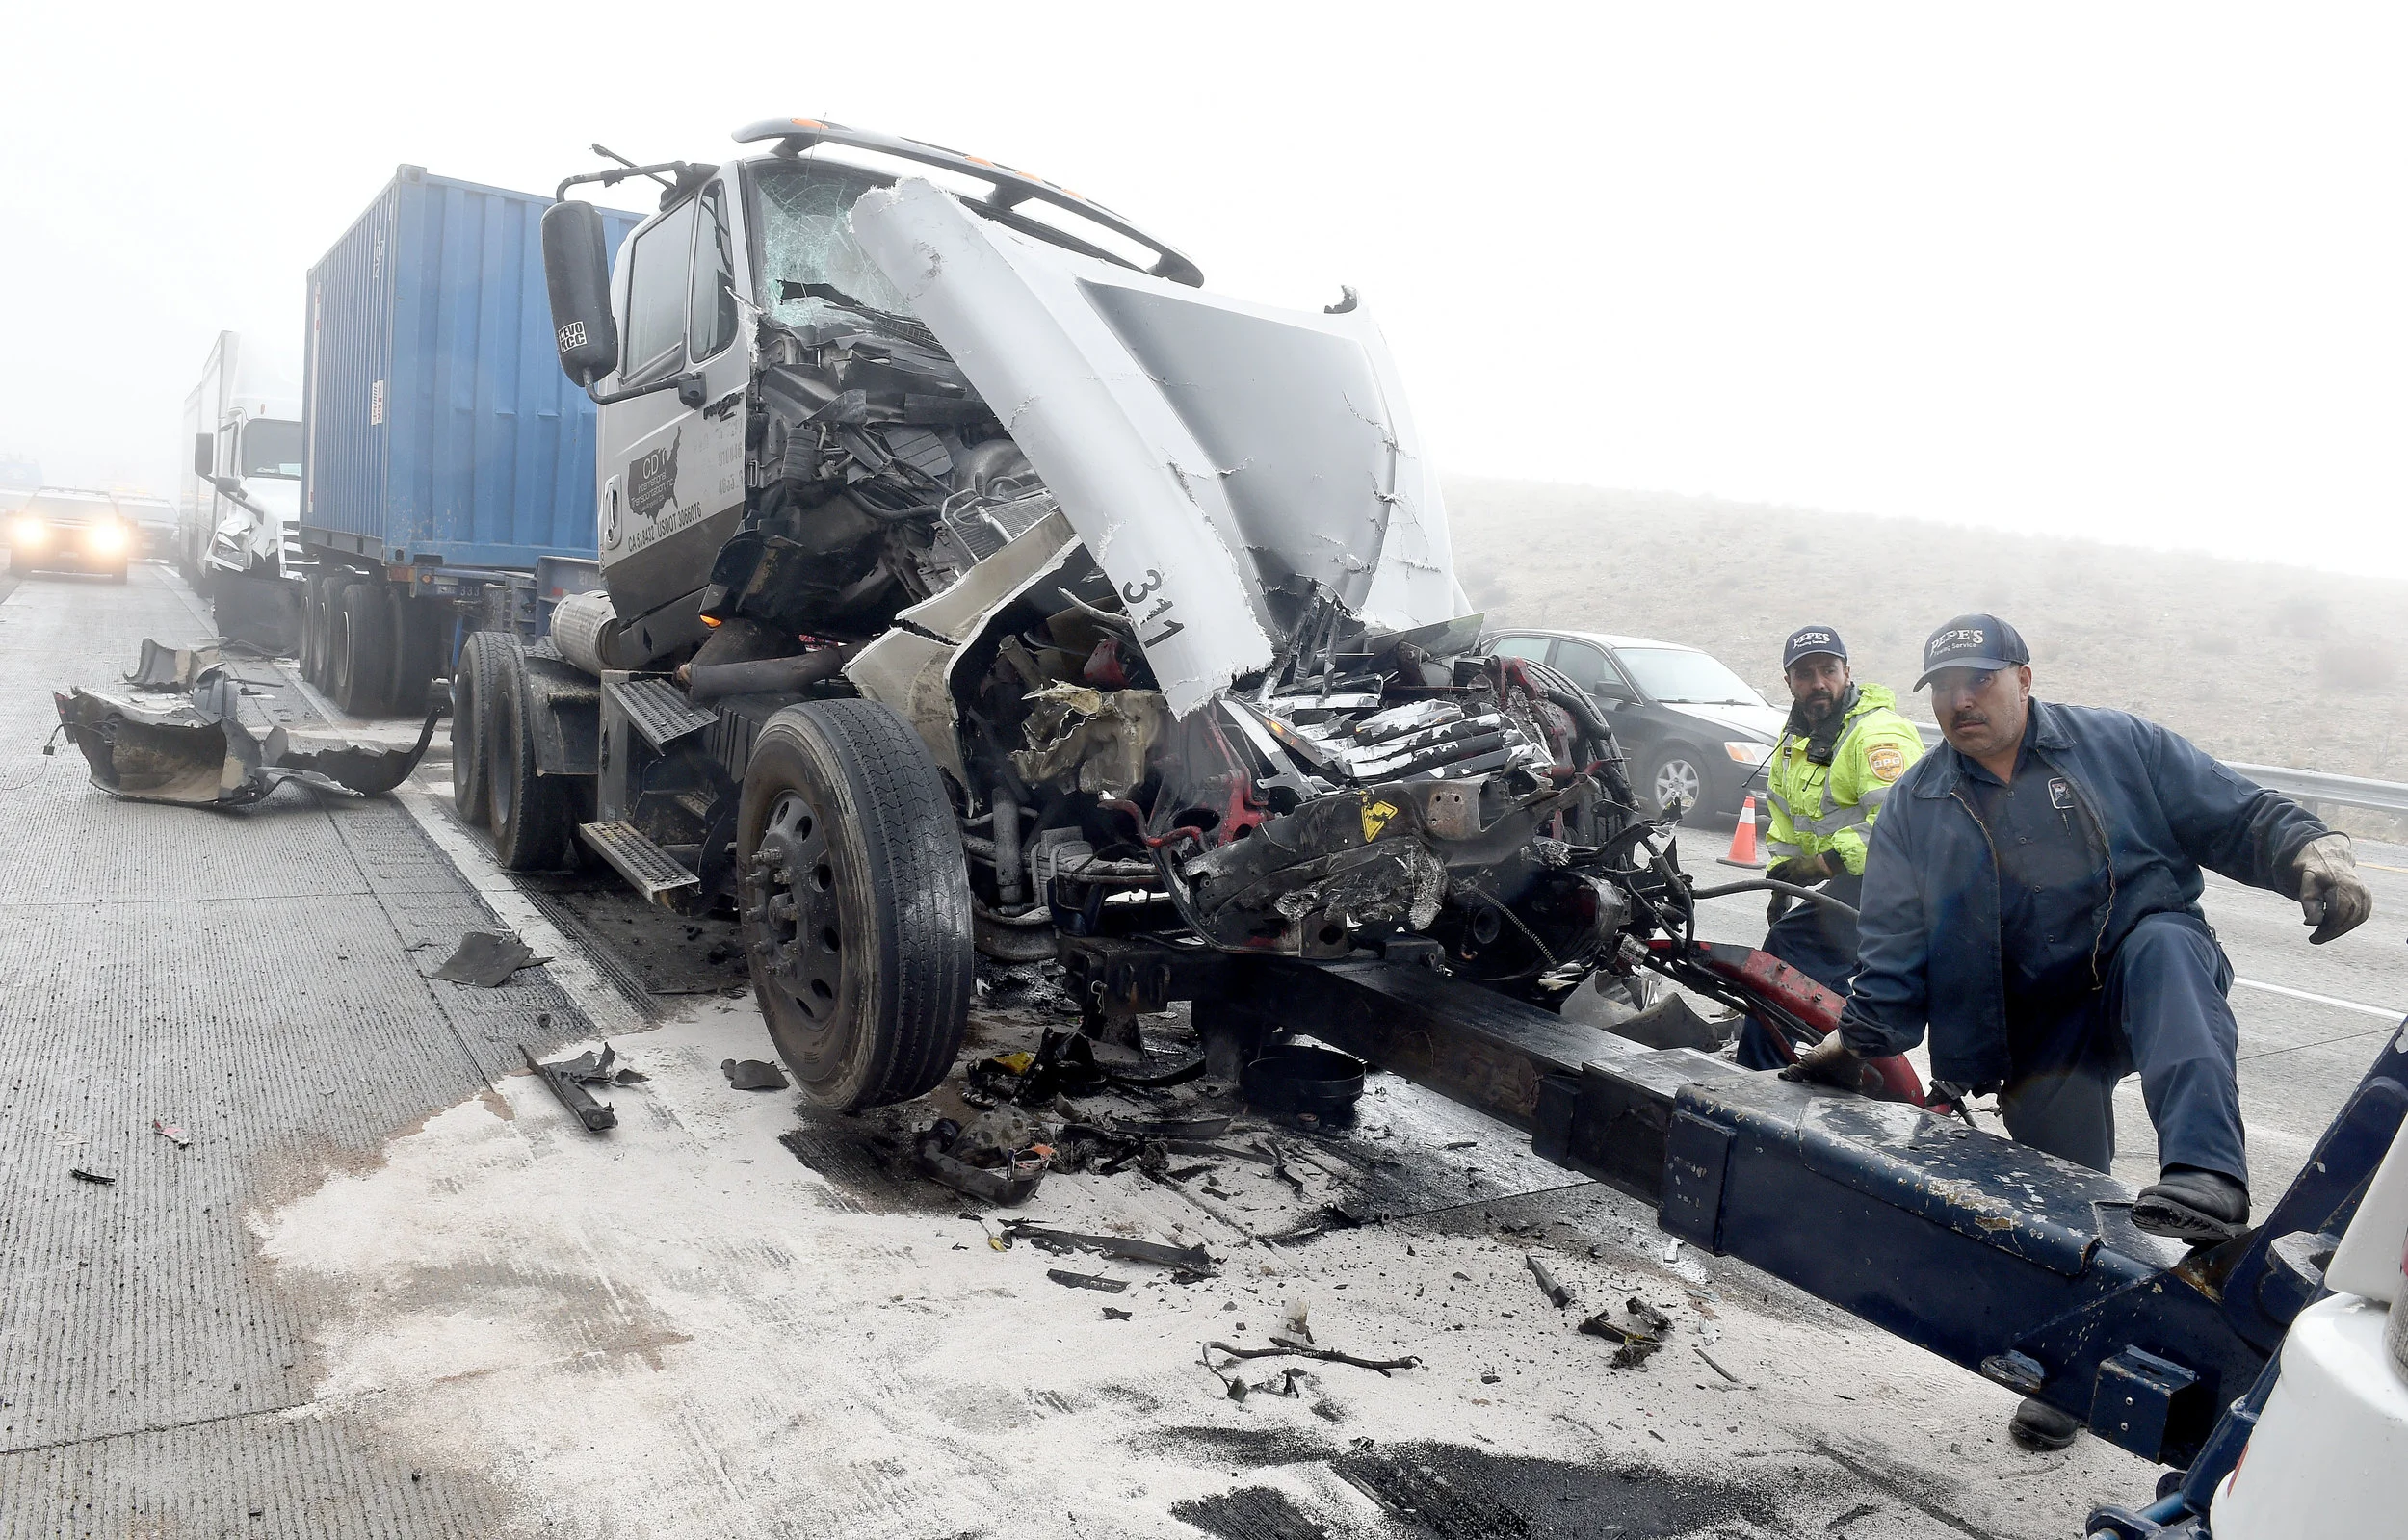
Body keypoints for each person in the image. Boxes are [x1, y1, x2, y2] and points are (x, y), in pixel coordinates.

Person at [1783, 614, 2374, 1449]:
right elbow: (1889, 963)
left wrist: (2316, 849)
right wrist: (1854, 1042)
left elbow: (2237, 814)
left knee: (2170, 943)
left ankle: (2207, 1173)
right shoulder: (1915, 807)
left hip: (2137, 972)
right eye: (1945, 689)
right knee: (2070, 1206)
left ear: (2023, 677)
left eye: (1978, 681)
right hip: (2030, 1032)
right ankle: (2067, 1374)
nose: (1960, 702)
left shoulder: (2119, 745)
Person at [1735, 625, 1925, 1070]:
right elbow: (1786, 822)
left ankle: (1759, 1073)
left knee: (1789, 953)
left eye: (1828, 670)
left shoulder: (1877, 735)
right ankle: (1836, 1065)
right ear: (1788, 682)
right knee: (1805, 956)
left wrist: (1823, 863)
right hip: (1856, 882)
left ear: (1847, 672)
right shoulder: (1796, 741)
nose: (1818, 682)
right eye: (1804, 674)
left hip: (1900, 884)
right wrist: (1785, 881)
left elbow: (1899, 828)